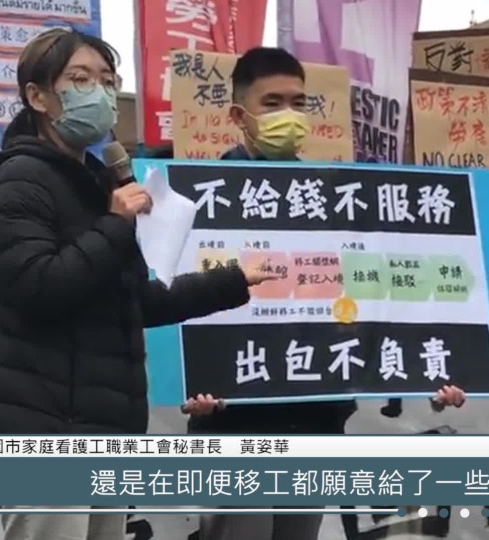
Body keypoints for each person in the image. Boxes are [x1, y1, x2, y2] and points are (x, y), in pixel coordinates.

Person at [0, 29, 272, 540]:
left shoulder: (98, 183)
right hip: (45, 433)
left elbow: (135, 301)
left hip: (104, 427)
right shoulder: (19, 179)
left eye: (109, 81)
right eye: (80, 79)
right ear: (37, 97)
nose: (101, 93)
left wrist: (229, 282)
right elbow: (37, 287)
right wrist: (114, 224)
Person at [183, 47, 467, 540]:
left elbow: (376, 303)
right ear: (238, 115)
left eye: (298, 102)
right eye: (272, 103)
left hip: (313, 422)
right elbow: (178, 307)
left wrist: (437, 374)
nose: (288, 116)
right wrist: (189, 383)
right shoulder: (197, 200)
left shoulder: (337, 199)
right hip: (234, 428)